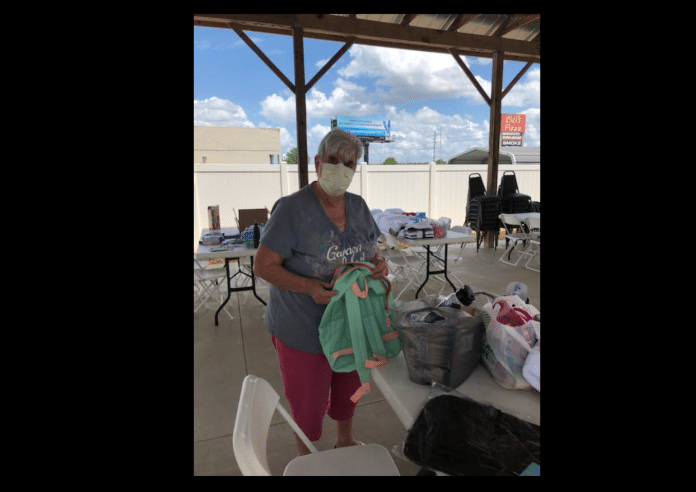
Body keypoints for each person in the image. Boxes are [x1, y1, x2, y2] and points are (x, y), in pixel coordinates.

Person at [254, 128, 388, 457]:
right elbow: (263, 265)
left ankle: (344, 439)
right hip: (302, 329)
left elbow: (374, 248)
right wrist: (309, 287)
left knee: (348, 391)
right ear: (317, 163)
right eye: (333, 160)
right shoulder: (291, 209)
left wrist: (380, 262)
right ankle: (307, 459)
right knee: (308, 405)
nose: (341, 169)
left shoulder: (358, 206)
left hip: (351, 323)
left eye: (349, 163)